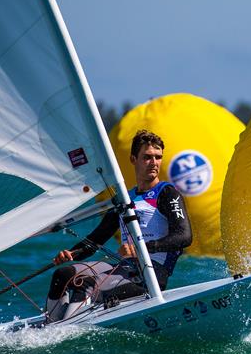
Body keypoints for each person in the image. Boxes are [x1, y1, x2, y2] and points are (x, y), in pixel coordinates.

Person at [45, 130, 192, 321]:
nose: (154, 163)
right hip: (124, 269)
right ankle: (49, 328)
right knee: (63, 275)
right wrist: (72, 254)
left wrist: (140, 249)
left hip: (151, 274)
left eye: (158, 157)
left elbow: (184, 236)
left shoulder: (167, 193)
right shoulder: (125, 197)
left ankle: (64, 335)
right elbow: (97, 238)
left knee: (85, 283)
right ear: (133, 159)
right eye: (147, 157)